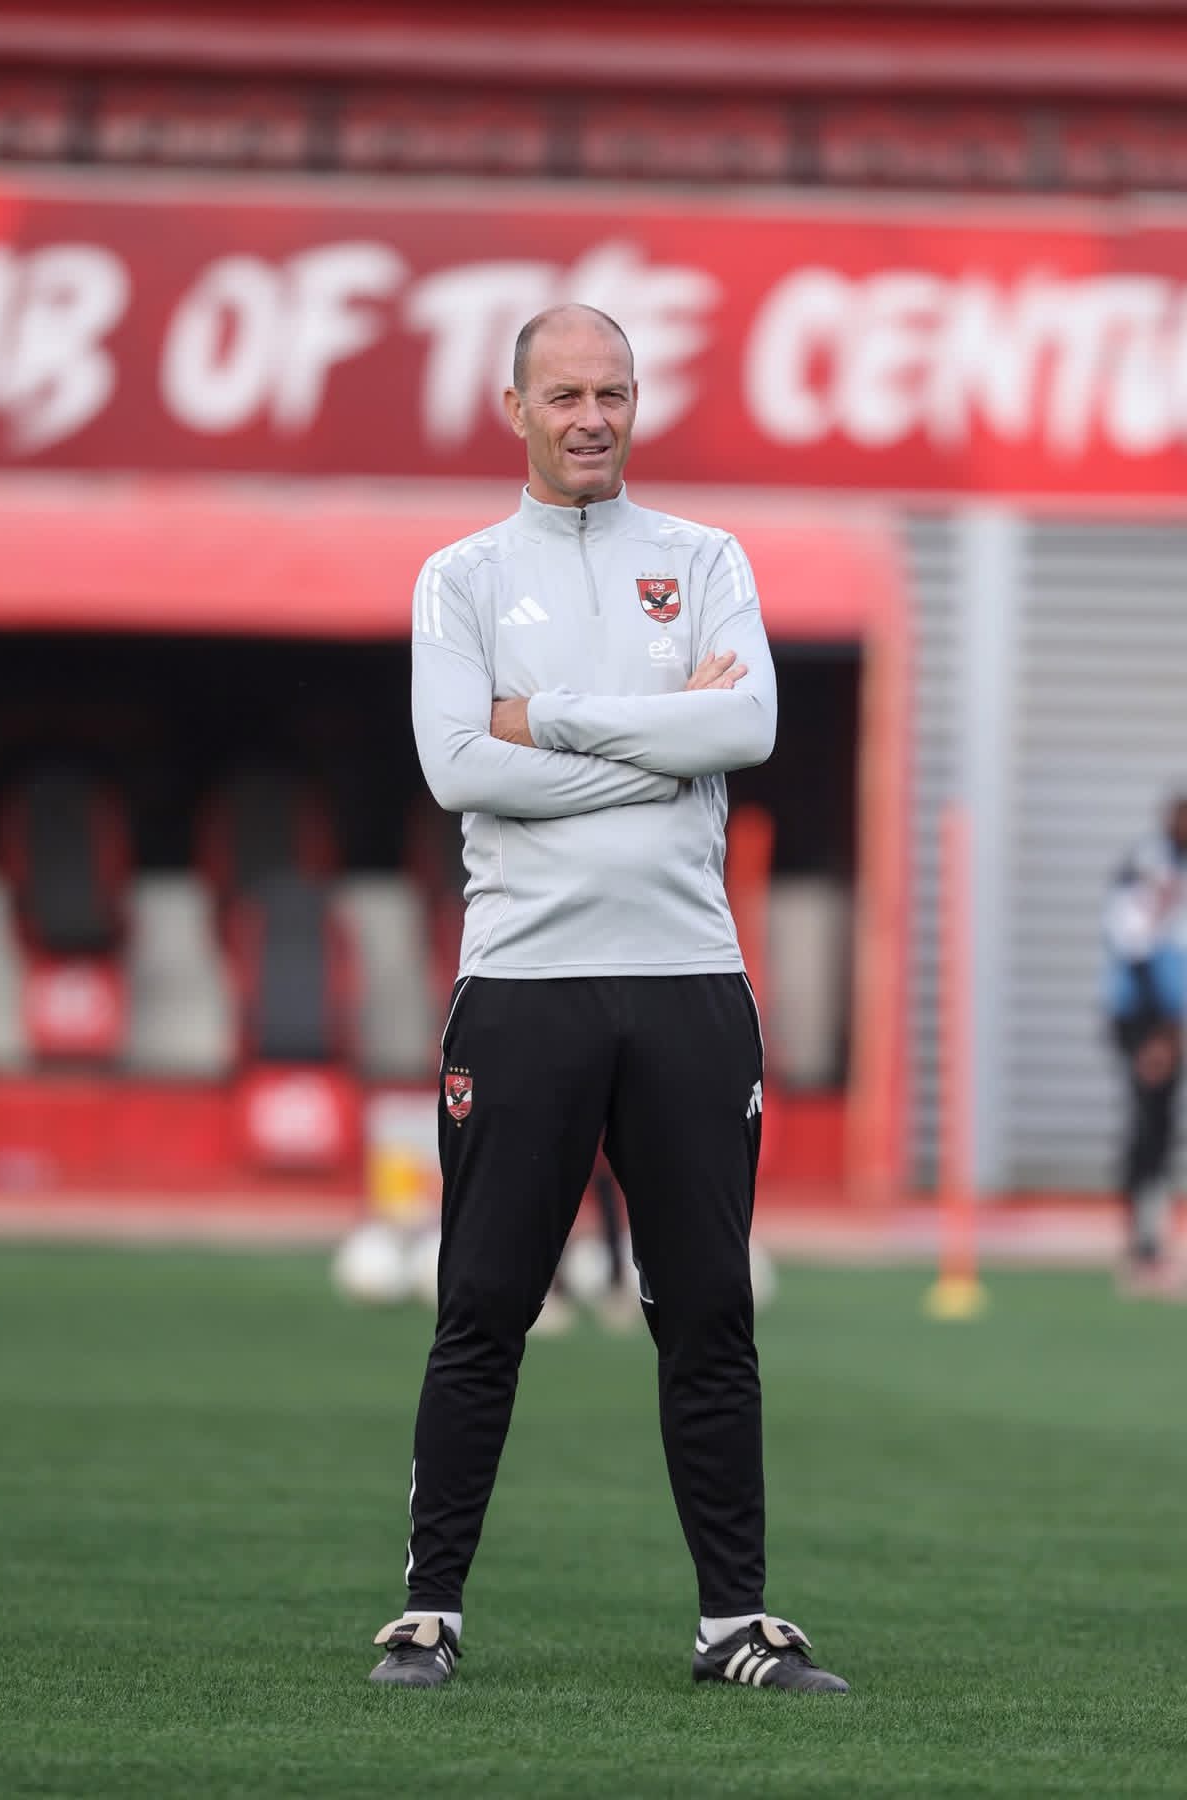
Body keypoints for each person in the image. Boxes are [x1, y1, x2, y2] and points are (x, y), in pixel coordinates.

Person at [367, 304, 847, 1695]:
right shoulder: (460, 578)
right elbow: (460, 768)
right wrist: (662, 743)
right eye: (567, 393)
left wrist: (553, 717)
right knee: (483, 1306)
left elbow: (747, 726)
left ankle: (733, 1626)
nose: (593, 418)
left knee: (708, 1312)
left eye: (615, 393)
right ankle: (429, 1615)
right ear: (514, 408)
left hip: (691, 982)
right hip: (524, 986)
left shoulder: (704, 560)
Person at [1102, 794, 1187, 1296]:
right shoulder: (1147, 868)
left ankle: (1153, 1238)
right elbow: (1133, 946)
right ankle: (1142, 1244)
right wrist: (1156, 1031)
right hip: (1144, 1019)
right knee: (1149, 1125)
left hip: (1171, 1021)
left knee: (1163, 1125)